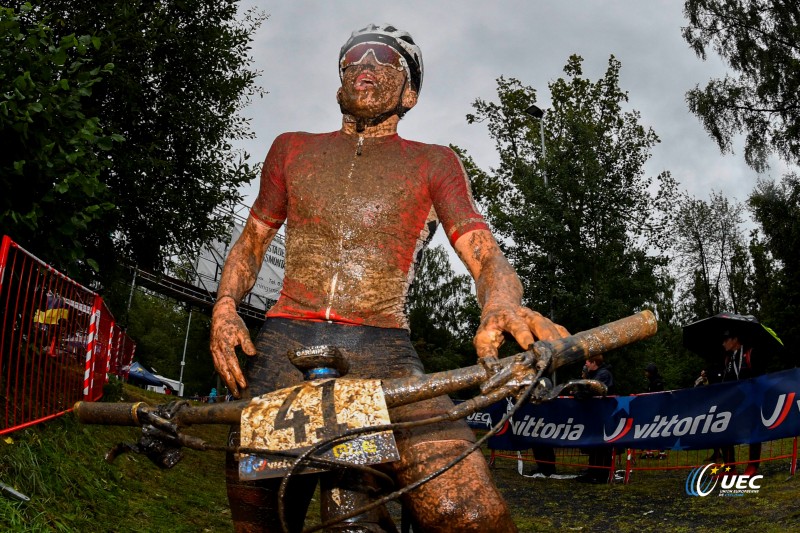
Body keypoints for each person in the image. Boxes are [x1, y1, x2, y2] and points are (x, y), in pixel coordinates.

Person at [209, 23, 568, 532]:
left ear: (411, 93)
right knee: (261, 519)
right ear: (339, 78)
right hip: (282, 347)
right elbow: (250, 242)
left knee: (468, 511)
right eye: (353, 58)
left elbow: (486, 256)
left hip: (383, 351)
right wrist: (225, 307)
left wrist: (501, 303)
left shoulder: (434, 162)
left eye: (383, 59)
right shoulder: (291, 148)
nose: (365, 65)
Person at [718, 330, 763, 476]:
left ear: (735, 339)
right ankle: (730, 468)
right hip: (733, 403)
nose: (723, 343)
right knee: (725, 431)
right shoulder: (727, 359)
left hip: (751, 401)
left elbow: (760, 377)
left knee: (753, 432)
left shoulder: (751, 353)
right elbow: (725, 381)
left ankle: (753, 466)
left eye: (726, 340)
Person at [577, 354, 614, 483]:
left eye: (587, 361)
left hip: (604, 415)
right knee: (593, 444)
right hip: (596, 415)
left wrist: (580, 394)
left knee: (602, 445)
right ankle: (592, 471)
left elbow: (594, 389)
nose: (586, 364)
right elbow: (586, 388)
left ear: (594, 363)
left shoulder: (604, 374)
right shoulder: (594, 374)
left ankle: (601, 475)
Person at [641, 362, 666, 460]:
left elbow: (657, 396)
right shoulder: (652, 381)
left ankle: (662, 452)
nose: (645, 373)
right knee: (649, 430)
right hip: (651, 409)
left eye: (647, 371)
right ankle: (649, 452)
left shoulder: (657, 382)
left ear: (651, 372)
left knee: (658, 430)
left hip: (657, 410)